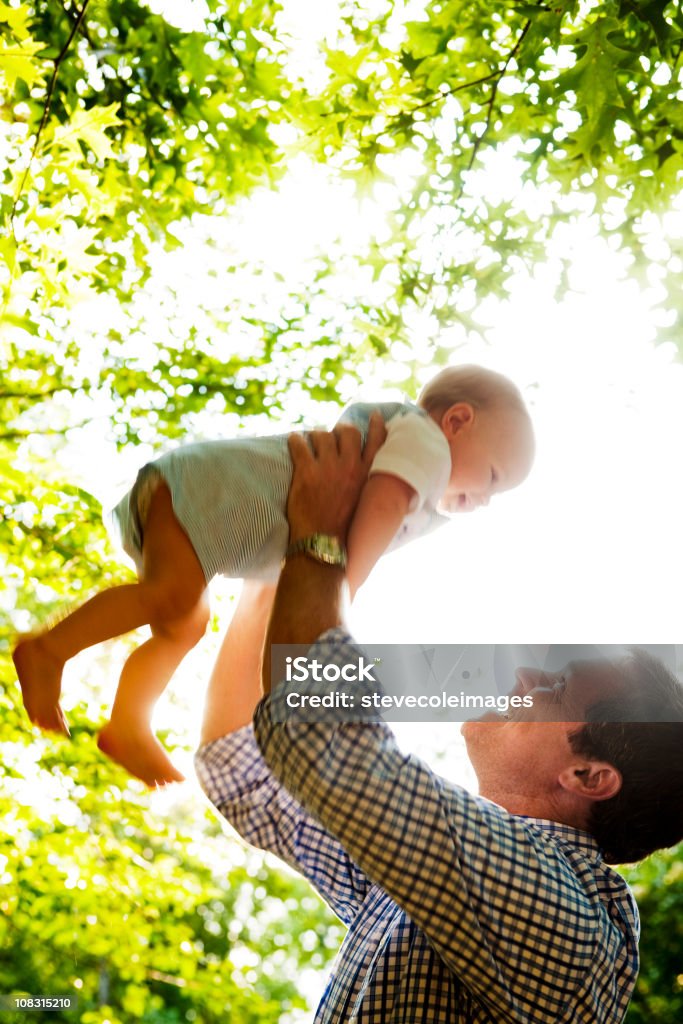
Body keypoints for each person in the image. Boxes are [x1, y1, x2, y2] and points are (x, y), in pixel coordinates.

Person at [194, 420, 683, 1024]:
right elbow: (243, 770)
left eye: (556, 686)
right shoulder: (444, 884)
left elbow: (325, 747)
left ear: (588, 775)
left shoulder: (568, 913)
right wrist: (271, 576)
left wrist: (316, 535)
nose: (526, 674)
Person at [13, 365, 534, 786]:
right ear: (458, 421)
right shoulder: (427, 448)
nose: (485, 499)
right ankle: (48, 649)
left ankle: (128, 719)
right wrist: (342, 586)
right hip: (214, 492)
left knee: (184, 621)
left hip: (211, 506)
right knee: (172, 599)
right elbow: (383, 504)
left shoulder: (424, 462)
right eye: (492, 477)